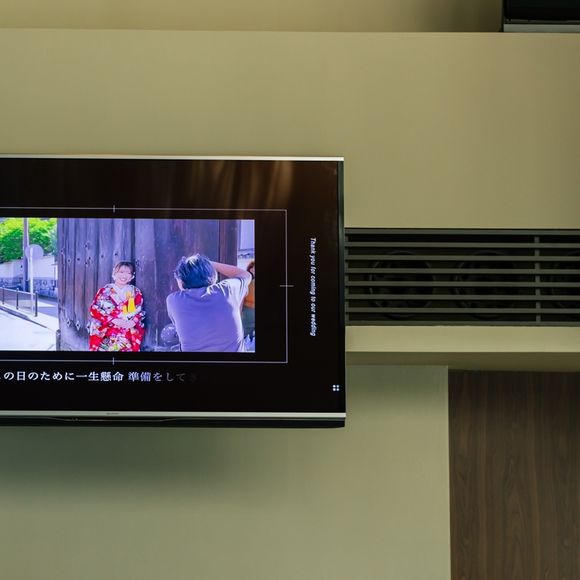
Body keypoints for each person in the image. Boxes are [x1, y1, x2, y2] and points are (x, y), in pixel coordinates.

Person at [166, 254, 251, 352]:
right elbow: (246, 275)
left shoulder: (174, 301)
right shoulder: (227, 290)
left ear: (181, 281)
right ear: (212, 275)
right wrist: (209, 263)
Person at [88, 261, 145, 352]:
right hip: (108, 330)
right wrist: (113, 319)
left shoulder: (135, 291)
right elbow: (94, 309)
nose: (124, 275)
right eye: (121, 272)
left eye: (128, 273)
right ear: (114, 273)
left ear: (132, 276)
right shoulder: (105, 291)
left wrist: (132, 322)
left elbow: (139, 310)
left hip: (127, 331)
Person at [241, 260, 255, 340]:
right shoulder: (246, 282)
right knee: (244, 333)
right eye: (253, 268)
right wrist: (240, 311)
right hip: (248, 312)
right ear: (250, 269)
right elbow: (241, 299)